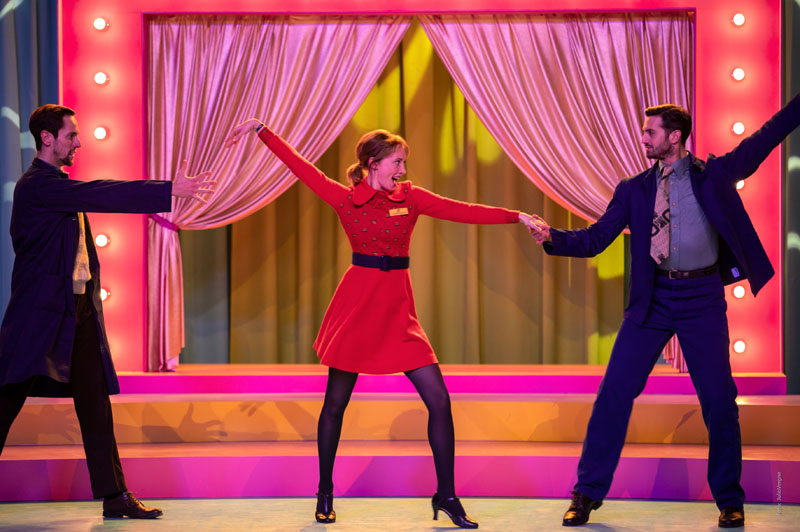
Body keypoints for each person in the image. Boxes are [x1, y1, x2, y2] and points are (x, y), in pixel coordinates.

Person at [226, 119, 535, 528]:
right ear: (373, 163)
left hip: (398, 311)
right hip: (357, 307)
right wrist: (262, 131)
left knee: (439, 401)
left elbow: (463, 210)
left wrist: (517, 217)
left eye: (404, 162)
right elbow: (300, 167)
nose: (403, 169)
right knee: (334, 406)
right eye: (397, 162)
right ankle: (324, 492)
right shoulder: (344, 199)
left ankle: (446, 495)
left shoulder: (412, 197)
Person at [527, 94, 800, 528]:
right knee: (613, 395)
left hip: (701, 298)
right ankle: (586, 494)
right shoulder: (633, 189)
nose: (643, 139)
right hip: (652, 300)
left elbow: (766, 137)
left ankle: (730, 500)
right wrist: (552, 237)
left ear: (674, 137)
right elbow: (596, 239)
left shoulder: (715, 174)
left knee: (720, 401)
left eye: (649, 132)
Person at [0, 104, 215, 518]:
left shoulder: (57, 186)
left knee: (94, 400)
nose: (78, 142)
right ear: (47, 138)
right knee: (6, 397)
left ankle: (115, 496)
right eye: (71, 135)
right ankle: (115, 496)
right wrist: (168, 189)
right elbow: (102, 192)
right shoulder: (38, 186)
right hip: (38, 315)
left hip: (75, 310)